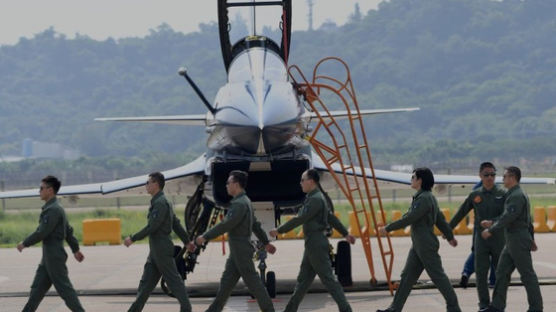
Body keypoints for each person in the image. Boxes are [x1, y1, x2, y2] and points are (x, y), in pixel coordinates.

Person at [269, 169, 356, 312]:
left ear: (311, 181)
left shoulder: (315, 199)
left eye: (303, 180)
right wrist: (345, 234)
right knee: (303, 281)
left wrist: (279, 230)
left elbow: (300, 218)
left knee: (328, 279)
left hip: (316, 243)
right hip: (312, 243)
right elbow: (331, 217)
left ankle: (346, 309)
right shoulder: (316, 197)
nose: (300, 183)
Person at [376, 167, 461, 312]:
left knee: (438, 277)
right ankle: (394, 308)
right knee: (407, 277)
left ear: (420, 180)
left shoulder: (423, 199)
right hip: (418, 245)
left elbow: (409, 218)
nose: (411, 180)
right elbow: (440, 219)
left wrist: (388, 228)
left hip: (425, 245)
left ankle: (454, 307)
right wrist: (450, 236)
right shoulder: (428, 197)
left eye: (413, 177)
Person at [195, 170, 276, 312]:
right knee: (225, 285)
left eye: (228, 183)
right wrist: (266, 242)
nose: (226, 185)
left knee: (254, 284)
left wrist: (205, 236)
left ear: (236, 184)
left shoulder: (239, 204)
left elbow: (226, 224)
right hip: (237, 251)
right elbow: (255, 225)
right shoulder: (246, 201)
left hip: (241, 249)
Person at [124, 172, 194, 312]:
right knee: (145, 284)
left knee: (174, 281)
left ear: (156, 184)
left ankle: (187, 308)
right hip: (155, 250)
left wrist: (133, 238)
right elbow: (176, 224)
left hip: (162, 249)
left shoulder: (161, 203)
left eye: (148, 182)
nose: (146, 185)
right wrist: (187, 241)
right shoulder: (161, 202)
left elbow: (152, 226)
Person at [17, 175, 85, 312]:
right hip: (48, 257)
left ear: (50, 190)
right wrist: (75, 250)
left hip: (54, 257)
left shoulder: (53, 210)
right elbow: (69, 231)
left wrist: (25, 243)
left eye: (41, 188)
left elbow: (42, 232)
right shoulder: (55, 208)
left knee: (66, 291)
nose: (39, 191)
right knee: (36, 290)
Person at [479, 166, 543, 312]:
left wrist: (491, 229)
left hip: (518, 240)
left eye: (505, 176)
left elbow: (509, 217)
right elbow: (516, 217)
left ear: (512, 178)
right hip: (512, 240)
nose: (502, 179)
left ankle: (536, 308)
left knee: (527, 275)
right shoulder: (513, 194)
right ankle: (497, 306)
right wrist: (492, 221)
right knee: (502, 272)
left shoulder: (516, 195)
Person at [448, 162, 505, 309]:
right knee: (480, 274)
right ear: (480, 176)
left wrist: (493, 222)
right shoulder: (475, 195)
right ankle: (484, 305)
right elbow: (461, 212)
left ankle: (498, 305)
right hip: (482, 241)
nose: (490, 178)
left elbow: (509, 215)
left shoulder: (503, 193)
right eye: (486, 175)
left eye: (493, 174)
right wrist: (448, 230)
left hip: (499, 239)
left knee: (500, 274)